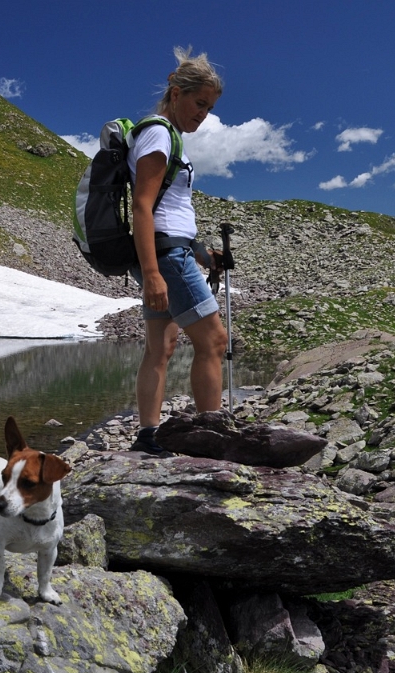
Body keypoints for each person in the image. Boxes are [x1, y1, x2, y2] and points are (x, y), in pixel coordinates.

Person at [128, 46, 228, 455]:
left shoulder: (167, 137)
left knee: (161, 347)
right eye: (198, 103)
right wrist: (152, 272)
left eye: (208, 107)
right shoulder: (158, 134)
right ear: (176, 92)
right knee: (214, 341)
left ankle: (148, 436)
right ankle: (211, 437)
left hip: (172, 252)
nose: (202, 114)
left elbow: (169, 211)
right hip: (166, 257)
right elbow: (142, 206)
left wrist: (203, 253)